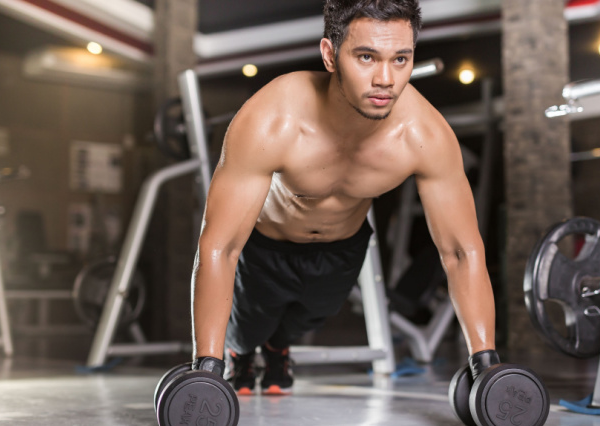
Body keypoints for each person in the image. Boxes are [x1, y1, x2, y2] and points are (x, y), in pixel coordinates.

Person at [190, 0, 497, 396]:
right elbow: (220, 244)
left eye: (400, 59)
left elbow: (460, 251)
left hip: (342, 249)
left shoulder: (425, 136)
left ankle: (276, 346)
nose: (385, 78)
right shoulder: (273, 119)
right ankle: (239, 353)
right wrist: (206, 369)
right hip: (268, 245)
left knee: (311, 316)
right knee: (251, 320)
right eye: (367, 57)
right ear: (330, 55)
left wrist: (486, 364)